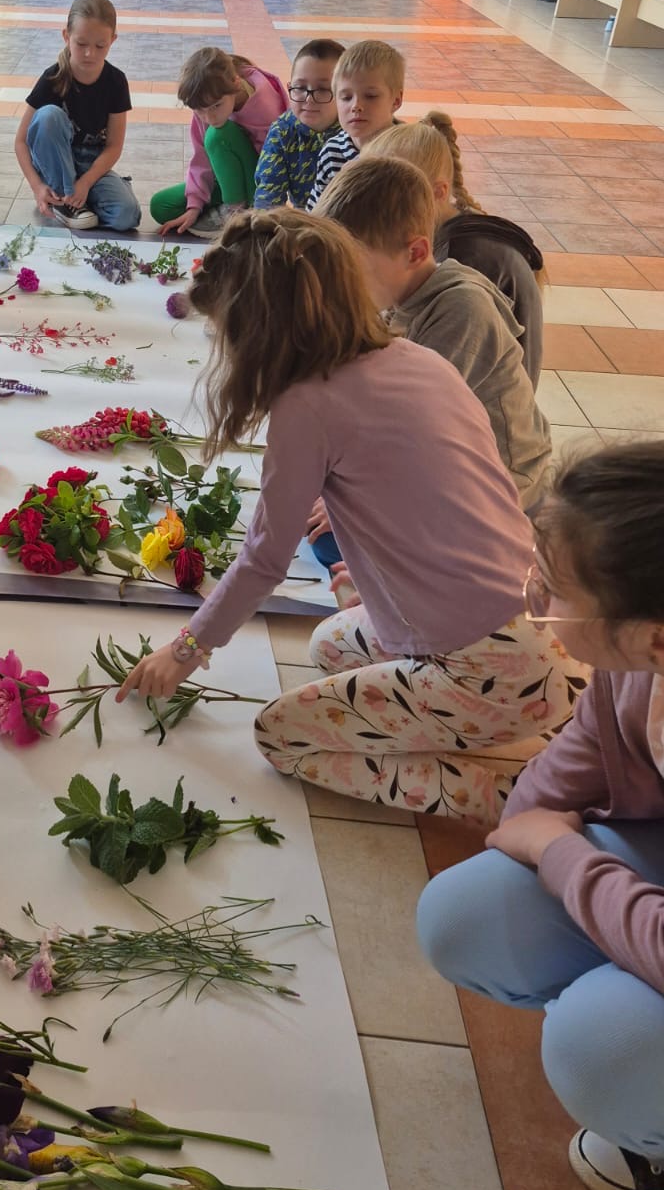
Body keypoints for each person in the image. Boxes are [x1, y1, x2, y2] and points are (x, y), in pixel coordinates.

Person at [115, 211, 587, 823]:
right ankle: (489, 715)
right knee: (330, 647)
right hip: (554, 632)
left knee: (280, 735)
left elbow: (263, 560)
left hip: (495, 667)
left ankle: (519, 798)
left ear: (262, 333)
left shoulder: (307, 405)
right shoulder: (415, 356)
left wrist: (183, 651)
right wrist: (379, 583)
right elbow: (427, 497)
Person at [418, 442, 664, 1190]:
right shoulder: (635, 669)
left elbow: (545, 834)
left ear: (653, 634)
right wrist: (543, 838)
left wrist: (564, 855)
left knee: (602, 1046)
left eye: (552, 590)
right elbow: (535, 803)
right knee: (463, 914)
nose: (534, 603)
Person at [316, 156, 552, 511]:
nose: (340, 282)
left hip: (502, 482)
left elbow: (408, 425)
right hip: (445, 458)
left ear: (415, 253)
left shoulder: (462, 309)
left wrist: (353, 498)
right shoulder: (394, 290)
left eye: (351, 268)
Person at [363, 113, 545, 387]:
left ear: (438, 192)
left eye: (392, 192)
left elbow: (434, 383)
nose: (377, 204)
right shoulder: (448, 224)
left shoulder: (463, 257)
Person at [14, 0, 140, 233]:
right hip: (57, 163)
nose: (90, 53)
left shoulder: (116, 81)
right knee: (48, 116)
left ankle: (79, 200)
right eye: (81, 44)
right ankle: (64, 197)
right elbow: (21, 141)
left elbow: (114, 146)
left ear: (113, 40)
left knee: (127, 216)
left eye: (100, 46)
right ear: (66, 36)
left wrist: (86, 182)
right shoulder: (52, 78)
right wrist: (37, 186)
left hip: (91, 164)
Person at [150, 48, 287, 237]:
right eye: (200, 110)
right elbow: (201, 157)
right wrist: (194, 206)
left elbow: (275, 167)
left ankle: (235, 211)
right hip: (227, 179)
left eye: (216, 106)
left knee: (217, 135)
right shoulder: (204, 100)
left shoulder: (265, 107)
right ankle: (224, 207)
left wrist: (262, 211)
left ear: (236, 84)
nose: (209, 117)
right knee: (161, 206)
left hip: (259, 186)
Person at [307, 39, 405, 208]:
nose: (356, 106)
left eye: (370, 96)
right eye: (346, 97)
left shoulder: (410, 150)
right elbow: (316, 213)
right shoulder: (332, 153)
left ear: (396, 101)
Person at [253, 38, 345, 210]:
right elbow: (268, 197)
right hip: (305, 217)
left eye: (323, 90)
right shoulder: (282, 131)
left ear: (344, 93)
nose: (309, 99)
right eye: (300, 88)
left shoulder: (355, 130)